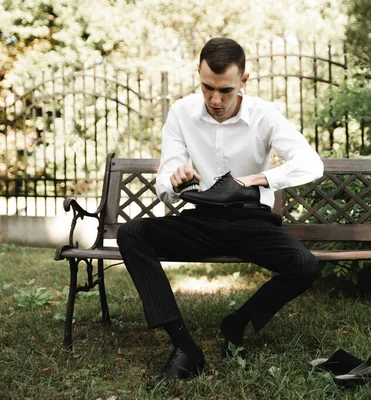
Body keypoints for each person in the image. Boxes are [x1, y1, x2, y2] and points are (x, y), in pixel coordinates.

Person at [116, 37, 324, 383]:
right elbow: (166, 185)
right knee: (132, 233)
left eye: (225, 90)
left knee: (305, 265)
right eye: (207, 88)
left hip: (250, 224)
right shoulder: (182, 113)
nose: (215, 99)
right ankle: (185, 348)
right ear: (198, 76)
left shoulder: (264, 115)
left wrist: (254, 179)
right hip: (200, 222)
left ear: (244, 80)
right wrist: (176, 182)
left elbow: (311, 164)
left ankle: (237, 323)